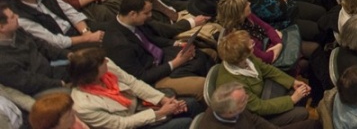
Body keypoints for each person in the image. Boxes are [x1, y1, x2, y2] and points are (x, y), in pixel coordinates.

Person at [69, 47, 198, 129]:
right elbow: (121, 124)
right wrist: (161, 113)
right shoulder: (83, 106)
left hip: (139, 106)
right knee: (184, 123)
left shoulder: (108, 68)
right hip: (130, 124)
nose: (107, 62)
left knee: (190, 104)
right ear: (92, 71)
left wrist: (163, 100)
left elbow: (133, 83)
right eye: (103, 62)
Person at [215, 30, 317, 128]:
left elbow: (267, 69)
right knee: (302, 113)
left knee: (302, 93)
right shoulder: (234, 86)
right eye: (249, 43)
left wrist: (293, 82)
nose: (252, 42)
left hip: (268, 94)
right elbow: (259, 107)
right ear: (242, 56)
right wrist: (292, 100)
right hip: (261, 117)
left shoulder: (247, 57)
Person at [197, 83, 280, 129]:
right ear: (230, 111)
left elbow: (254, 119)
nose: (248, 98)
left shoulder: (230, 106)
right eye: (243, 100)